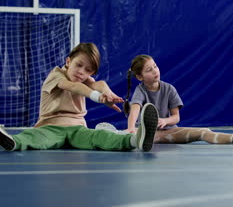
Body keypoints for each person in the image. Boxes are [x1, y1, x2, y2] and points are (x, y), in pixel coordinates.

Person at [0, 43, 157, 152]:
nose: (82, 72)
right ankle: (13, 142)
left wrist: (108, 94)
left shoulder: (84, 79)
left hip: (77, 129)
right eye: (79, 65)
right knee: (36, 138)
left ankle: (135, 140)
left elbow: (98, 84)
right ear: (68, 61)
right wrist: (97, 97)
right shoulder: (56, 75)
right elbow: (74, 87)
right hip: (51, 127)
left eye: (88, 70)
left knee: (99, 137)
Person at [123, 55, 233, 144]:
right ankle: (142, 138)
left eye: (155, 66)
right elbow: (134, 111)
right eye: (149, 70)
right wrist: (131, 128)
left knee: (203, 132)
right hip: (144, 131)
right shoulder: (140, 91)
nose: (155, 71)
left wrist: (165, 121)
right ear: (140, 77)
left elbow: (176, 117)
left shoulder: (169, 89)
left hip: (169, 130)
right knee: (146, 136)